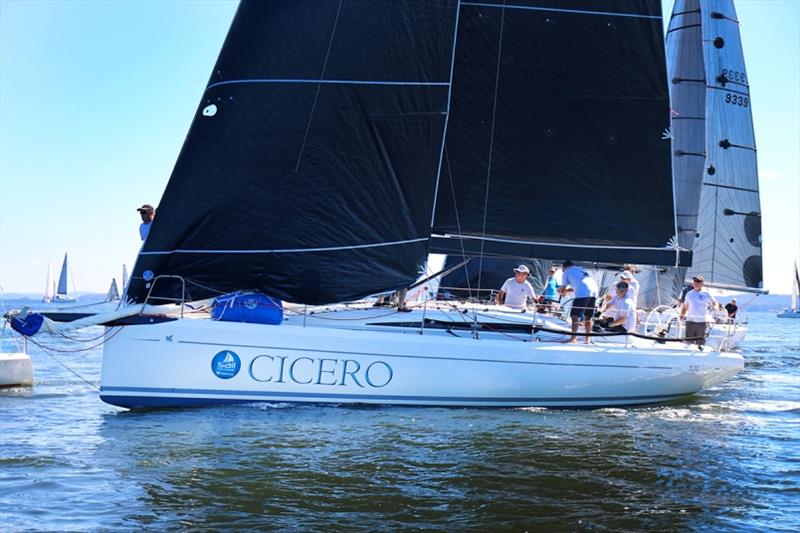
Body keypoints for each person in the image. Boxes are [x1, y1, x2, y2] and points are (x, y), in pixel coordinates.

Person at [558, 260, 599, 344]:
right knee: (588, 316)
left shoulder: (566, 271)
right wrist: (566, 291)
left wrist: (561, 291)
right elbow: (579, 285)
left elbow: (562, 289)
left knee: (574, 316)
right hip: (594, 292)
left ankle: (573, 338)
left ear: (564, 267)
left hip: (583, 293)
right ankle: (587, 339)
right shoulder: (580, 269)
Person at [680, 275, 716, 350]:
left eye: (698, 281)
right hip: (690, 321)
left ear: (702, 283)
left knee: (700, 344)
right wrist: (681, 316)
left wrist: (716, 306)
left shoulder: (706, 294)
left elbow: (714, 303)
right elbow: (685, 306)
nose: (696, 283)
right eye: (695, 281)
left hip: (701, 322)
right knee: (689, 343)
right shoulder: (689, 294)